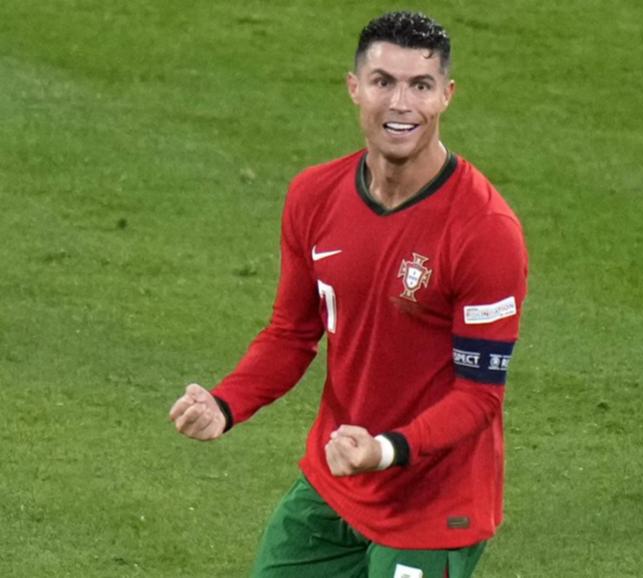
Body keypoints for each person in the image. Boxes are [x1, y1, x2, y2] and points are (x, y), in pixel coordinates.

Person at [169, 10, 528, 578]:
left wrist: (382, 450)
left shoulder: (484, 231)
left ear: (447, 96)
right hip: (335, 483)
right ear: (355, 88)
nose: (401, 104)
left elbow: (480, 397)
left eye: (421, 85)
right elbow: (292, 333)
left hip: (432, 505)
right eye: (384, 82)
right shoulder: (314, 195)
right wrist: (225, 402)